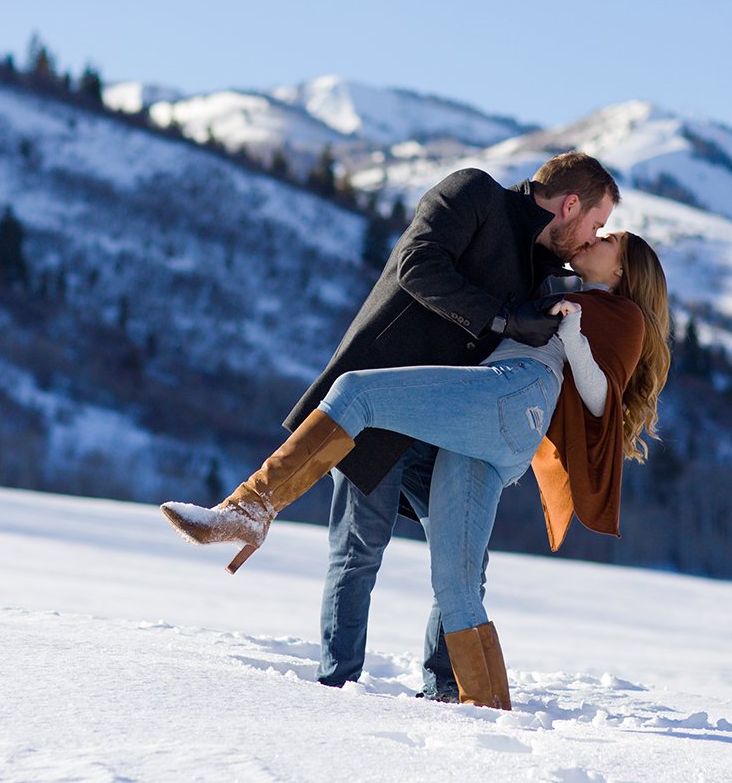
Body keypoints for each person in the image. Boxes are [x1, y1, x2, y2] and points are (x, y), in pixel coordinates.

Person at [161, 230, 672, 710]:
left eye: (609, 239)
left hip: (512, 393)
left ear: (627, 270)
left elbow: (602, 398)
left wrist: (574, 331)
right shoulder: (571, 290)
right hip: (493, 421)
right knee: (457, 580)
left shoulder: (624, 313)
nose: (596, 237)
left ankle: (250, 507)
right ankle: (485, 707)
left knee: (357, 391)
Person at [284, 153, 621, 700]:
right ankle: (335, 683)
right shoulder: (474, 194)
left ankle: (443, 689)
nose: (592, 236)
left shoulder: (545, 270)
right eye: (595, 223)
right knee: (359, 548)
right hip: (381, 398)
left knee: (465, 559)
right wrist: (505, 319)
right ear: (570, 204)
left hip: (444, 428)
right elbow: (418, 265)